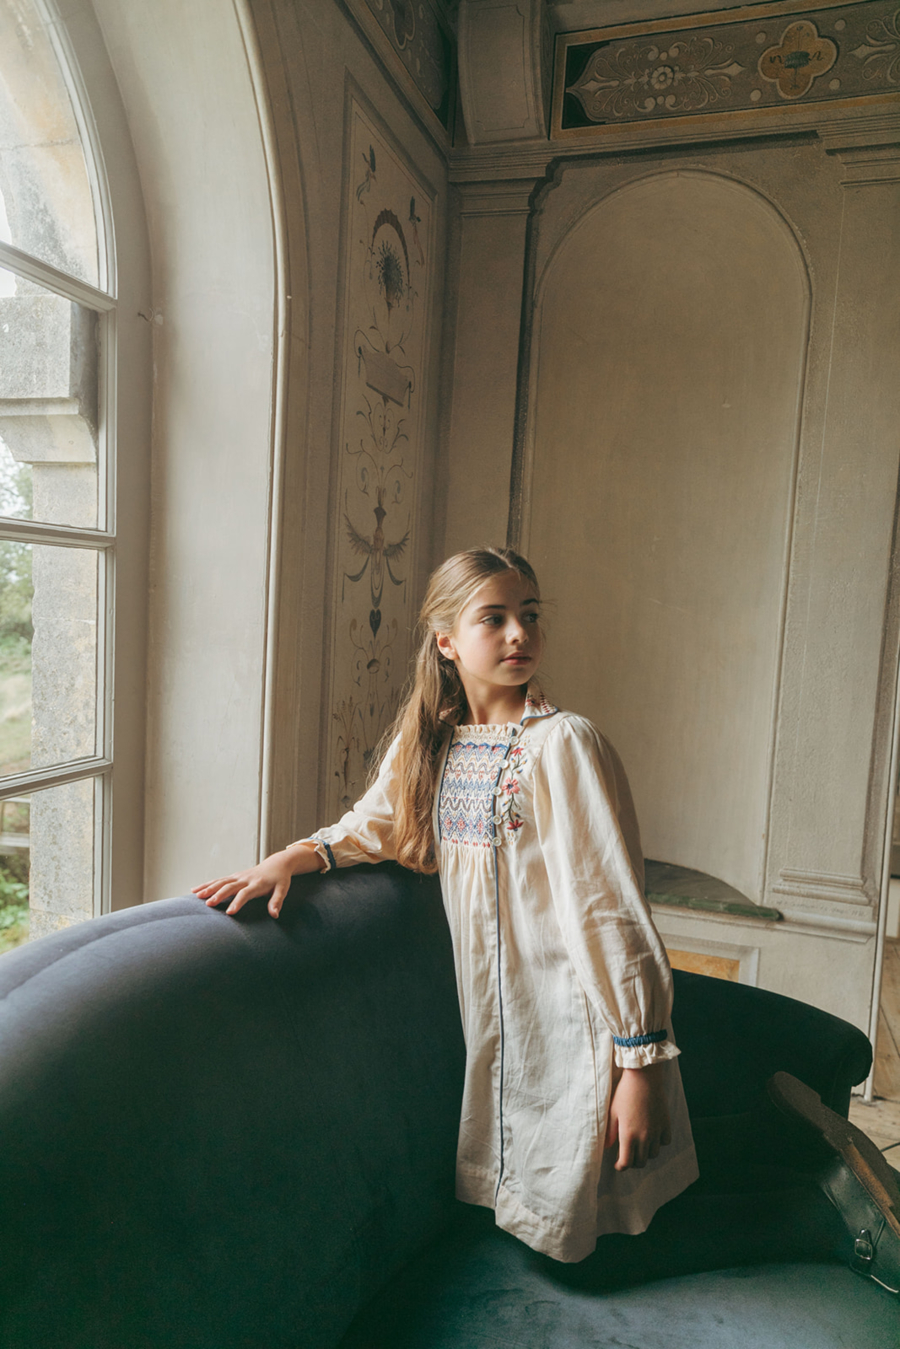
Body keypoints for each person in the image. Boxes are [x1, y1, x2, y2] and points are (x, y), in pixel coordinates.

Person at [194, 546, 900, 1294]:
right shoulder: (432, 743)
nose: (518, 634)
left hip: (579, 1025)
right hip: (507, 1031)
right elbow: (378, 825)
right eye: (493, 618)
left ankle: (822, 1213)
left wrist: (640, 1060)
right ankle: (786, 1141)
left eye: (529, 615)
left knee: (579, 1253)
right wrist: (291, 859)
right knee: (570, 1212)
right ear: (445, 640)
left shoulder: (563, 744)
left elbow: (610, 906)